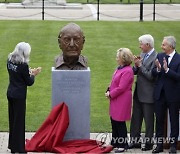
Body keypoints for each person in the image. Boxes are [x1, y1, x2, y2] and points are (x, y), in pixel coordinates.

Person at [7, 42, 41, 153]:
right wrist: (34, 74)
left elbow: (18, 75)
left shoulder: (10, 60)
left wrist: (28, 72)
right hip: (19, 96)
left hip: (11, 93)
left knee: (12, 120)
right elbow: (29, 81)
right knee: (19, 122)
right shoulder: (23, 65)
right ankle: (20, 149)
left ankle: (13, 146)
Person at [129, 34, 157, 151]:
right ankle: (135, 141)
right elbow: (137, 71)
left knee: (149, 120)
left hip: (148, 95)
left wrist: (140, 66)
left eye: (141, 44)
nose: (140, 46)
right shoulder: (142, 54)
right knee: (135, 119)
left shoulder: (156, 57)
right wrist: (135, 66)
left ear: (147, 45)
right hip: (138, 93)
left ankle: (149, 143)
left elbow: (151, 76)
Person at [152, 36, 180, 153]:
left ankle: (173, 145)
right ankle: (159, 145)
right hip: (160, 94)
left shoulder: (179, 59)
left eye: (164, 45)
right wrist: (158, 69)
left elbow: (178, 77)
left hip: (173, 95)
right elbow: (154, 73)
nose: (161, 47)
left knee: (174, 120)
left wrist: (167, 70)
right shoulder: (160, 56)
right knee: (159, 120)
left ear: (171, 46)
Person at [105, 48, 134, 153]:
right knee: (114, 121)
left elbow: (121, 87)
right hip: (116, 98)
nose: (116, 58)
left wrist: (111, 94)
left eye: (118, 57)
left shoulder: (127, 71)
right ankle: (115, 142)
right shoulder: (120, 68)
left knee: (119, 122)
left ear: (123, 58)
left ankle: (123, 144)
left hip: (122, 99)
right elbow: (114, 81)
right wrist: (108, 89)